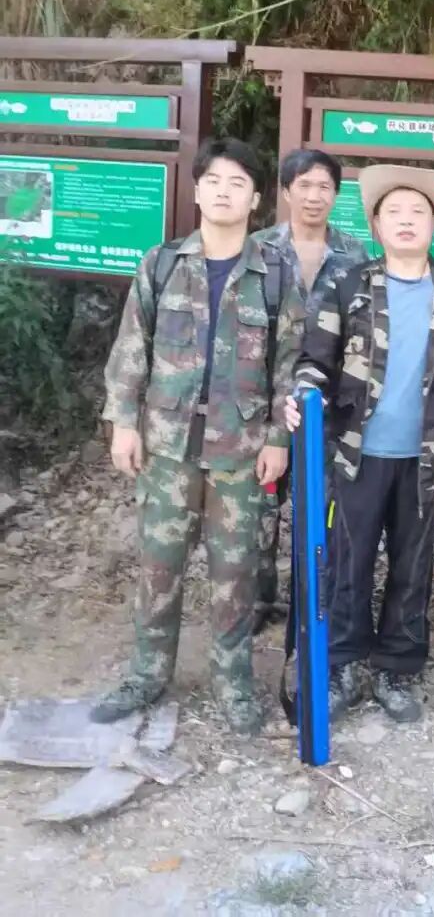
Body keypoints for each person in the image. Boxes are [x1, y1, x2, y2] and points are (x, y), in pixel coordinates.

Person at [94, 137, 305, 735]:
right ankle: (146, 674)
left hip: (240, 453)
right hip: (167, 448)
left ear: (256, 199)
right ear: (196, 190)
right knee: (158, 567)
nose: (223, 192)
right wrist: (123, 423)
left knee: (235, 575)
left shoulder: (276, 275)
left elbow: (290, 365)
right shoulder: (162, 264)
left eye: (238, 183)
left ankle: (232, 682)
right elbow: (131, 349)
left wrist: (278, 439)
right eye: (213, 180)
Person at [288, 163, 434, 725]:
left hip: (427, 462)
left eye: (418, 212)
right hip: (354, 456)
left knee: (413, 566)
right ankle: (341, 663)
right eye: (394, 212)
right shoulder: (347, 287)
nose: (406, 221)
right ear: (376, 225)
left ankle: (397, 668)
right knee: (346, 562)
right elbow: (314, 361)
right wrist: (303, 395)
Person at [251, 149, 369, 629]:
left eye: (324, 186)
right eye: (304, 185)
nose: (314, 196)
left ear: (336, 194)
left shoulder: (354, 255)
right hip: (264, 397)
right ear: (286, 191)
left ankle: (312, 599)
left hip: (327, 404)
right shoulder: (257, 249)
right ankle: (257, 600)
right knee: (260, 506)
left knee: (320, 505)